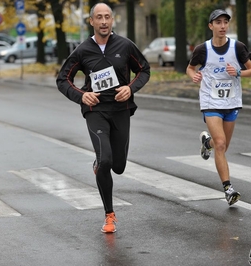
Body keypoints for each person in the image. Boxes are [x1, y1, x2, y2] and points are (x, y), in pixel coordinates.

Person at [56, 3, 150, 233]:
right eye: (99, 17)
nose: (104, 21)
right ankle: (109, 215)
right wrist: (82, 96)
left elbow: (144, 70)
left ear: (112, 20)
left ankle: (102, 164)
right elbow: (62, 79)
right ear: (92, 22)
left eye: (107, 17)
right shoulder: (82, 50)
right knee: (105, 160)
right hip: (96, 111)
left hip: (120, 110)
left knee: (118, 166)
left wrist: (131, 88)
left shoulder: (125, 46)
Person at [186, 9, 251, 206]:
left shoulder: (238, 47)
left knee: (222, 146)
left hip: (232, 102)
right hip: (210, 102)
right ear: (211, 26)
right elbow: (190, 68)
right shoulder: (203, 49)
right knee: (221, 143)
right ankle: (228, 189)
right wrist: (194, 76)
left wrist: (239, 73)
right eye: (218, 22)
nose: (223, 26)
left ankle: (206, 143)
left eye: (225, 22)